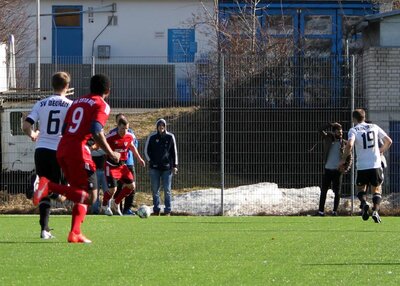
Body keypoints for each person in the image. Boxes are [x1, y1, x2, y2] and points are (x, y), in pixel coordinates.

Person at [33, 74, 120, 243]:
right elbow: (96, 130)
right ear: (107, 91)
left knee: (79, 191)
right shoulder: (102, 104)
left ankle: (75, 233)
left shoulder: (77, 101)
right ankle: (47, 186)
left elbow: (66, 128)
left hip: (63, 147)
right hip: (77, 151)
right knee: (90, 196)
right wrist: (111, 153)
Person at [22, 71, 72, 239]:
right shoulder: (71, 105)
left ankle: (44, 230)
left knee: (45, 192)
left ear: (52, 85)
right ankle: (41, 186)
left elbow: (26, 125)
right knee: (61, 195)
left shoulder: (41, 103)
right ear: (67, 86)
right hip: (59, 150)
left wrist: (33, 134)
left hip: (41, 149)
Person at [339, 109, 392, 223]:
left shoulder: (353, 130)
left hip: (362, 165)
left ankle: (364, 204)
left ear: (354, 119)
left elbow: (349, 145)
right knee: (377, 190)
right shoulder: (374, 126)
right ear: (364, 117)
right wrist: (380, 151)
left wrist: (343, 160)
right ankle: (375, 211)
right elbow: (389, 141)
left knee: (361, 189)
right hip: (375, 164)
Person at [101, 117, 145, 216]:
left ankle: (116, 202)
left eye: (126, 129)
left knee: (131, 186)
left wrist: (139, 158)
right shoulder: (111, 136)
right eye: (122, 129)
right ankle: (104, 205)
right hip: (110, 165)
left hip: (122, 166)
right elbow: (101, 143)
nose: (124, 131)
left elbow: (132, 146)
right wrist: (93, 148)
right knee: (113, 190)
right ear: (118, 127)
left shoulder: (130, 136)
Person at [316, 122, 352, 216]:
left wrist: (346, 168)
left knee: (337, 191)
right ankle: (321, 211)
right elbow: (320, 130)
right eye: (338, 132)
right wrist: (330, 124)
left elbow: (349, 157)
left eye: (341, 132)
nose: (340, 134)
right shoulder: (328, 138)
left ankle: (334, 211)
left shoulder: (344, 143)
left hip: (337, 171)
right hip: (328, 169)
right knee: (324, 191)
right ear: (333, 132)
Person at [144, 118, 178, 216]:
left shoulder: (170, 137)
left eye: (163, 125)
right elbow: (146, 151)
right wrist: (151, 161)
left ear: (165, 126)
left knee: (167, 190)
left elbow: (174, 152)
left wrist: (174, 165)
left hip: (167, 169)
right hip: (154, 168)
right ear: (157, 127)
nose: (161, 127)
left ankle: (168, 210)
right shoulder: (152, 137)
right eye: (159, 125)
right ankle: (156, 210)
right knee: (155, 190)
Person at [110, 113, 138, 215]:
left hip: (129, 163)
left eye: (123, 119)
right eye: (119, 120)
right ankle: (118, 208)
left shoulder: (131, 133)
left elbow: (134, 145)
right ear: (117, 122)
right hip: (117, 165)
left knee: (131, 187)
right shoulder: (112, 133)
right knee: (118, 187)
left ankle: (127, 209)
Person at [90, 144, 108, 214]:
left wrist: (97, 151)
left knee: (107, 192)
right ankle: (95, 210)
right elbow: (90, 152)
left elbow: (106, 152)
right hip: (94, 172)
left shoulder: (105, 145)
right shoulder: (91, 144)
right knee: (95, 192)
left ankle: (107, 209)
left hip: (105, 172)